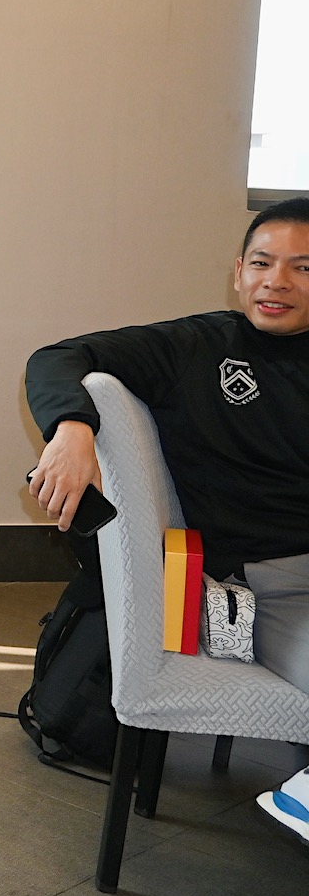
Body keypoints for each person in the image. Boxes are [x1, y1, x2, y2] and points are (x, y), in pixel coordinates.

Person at [25, 197, 309, 842]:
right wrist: (71, 429)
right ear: (238, 272)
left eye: (303, 267)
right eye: (262, 263)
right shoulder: (199, 346)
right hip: (275, 583)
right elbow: (59, 356)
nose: (277, 281)